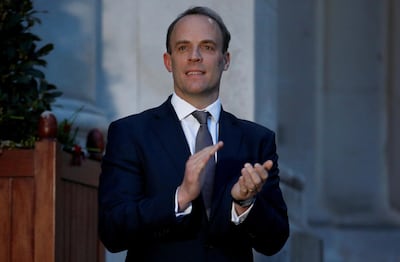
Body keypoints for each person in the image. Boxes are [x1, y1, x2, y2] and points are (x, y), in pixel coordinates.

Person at [98, 6, 289, 262]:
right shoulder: (130, 133)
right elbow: (112, 231)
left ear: (225, 59)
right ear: (169, 61)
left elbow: (275, 241)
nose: (194, 56)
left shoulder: (257, 140)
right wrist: (180, 198)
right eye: (183, 47)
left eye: (208, 47)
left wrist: (245, 205)